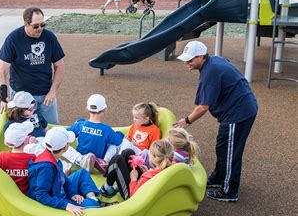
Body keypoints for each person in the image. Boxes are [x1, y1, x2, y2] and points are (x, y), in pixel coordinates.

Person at [174, 40, 258, 202]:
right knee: (222, 146)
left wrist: (186, 121)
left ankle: (229, 191)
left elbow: (203, 107)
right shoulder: (214, 61)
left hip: (239, 113)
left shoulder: (210, 73)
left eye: (190, 60)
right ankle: (220, 177)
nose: (187, 63)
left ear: (201, 57)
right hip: (236, 109)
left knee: (231, 152)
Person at [0, 7, 65, 124]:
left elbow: (60, 66)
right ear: (26, 24)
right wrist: (3, 96)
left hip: (45, 95)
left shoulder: (49, 37)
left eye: (43, 25)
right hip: (21, 96)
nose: (40, 29)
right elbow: (2, 70)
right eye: (36, 26)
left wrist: (53, 91)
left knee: (52, 129)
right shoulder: (13, 39)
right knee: (22, 131)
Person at [6, 91, 99, 173]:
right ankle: (61, 166)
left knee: (60, 142)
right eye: (30, 109)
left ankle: (81, 160)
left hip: (43, 139)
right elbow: (10, 140)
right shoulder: (13, 122)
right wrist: (26, 141)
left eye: (34, 107)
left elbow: (45, 127)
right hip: (27, 147)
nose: (33, 110)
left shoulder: (36, 114)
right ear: (20, 110)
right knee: (39, 151)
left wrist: (52, 137)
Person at [27, 127, 101, 216]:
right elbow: (41, 195)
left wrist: (72, 193)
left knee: (82, 173)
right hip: (56, 198)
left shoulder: (52, 156)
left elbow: (62, 177)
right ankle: (94, 203)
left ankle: (92, 200)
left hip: (58, 188)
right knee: (93, 205)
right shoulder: (46, 167)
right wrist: (66, 205)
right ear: (66, 147)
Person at [67, 94, 124, 173]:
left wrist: (78, 123)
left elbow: (66, 133)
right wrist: (120, 134)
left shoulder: (80, 124)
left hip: (81, 155)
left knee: (64, 144)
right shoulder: (107, 129)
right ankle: (104, 162)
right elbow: (118, 142)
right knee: (114, 145)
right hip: (98, 158)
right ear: (105, 110)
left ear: (87, 109)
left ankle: (80, 160)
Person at [102, 140, 173, 200]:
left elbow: (133, 195)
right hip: (141, 185)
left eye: (150, 153)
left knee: (117, 159)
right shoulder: (168, 168)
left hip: (130, 195)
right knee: (128, 152)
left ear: (154, 158)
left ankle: (107, 189)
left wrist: (134, 179)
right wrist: (147, 172)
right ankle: (119, 183)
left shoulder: (148, 176)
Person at [0, 121, 36, 195]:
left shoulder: (1, 157)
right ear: (26, 140)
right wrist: (33, 146)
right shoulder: (32, 157)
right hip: (27, 197)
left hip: (7, 195)